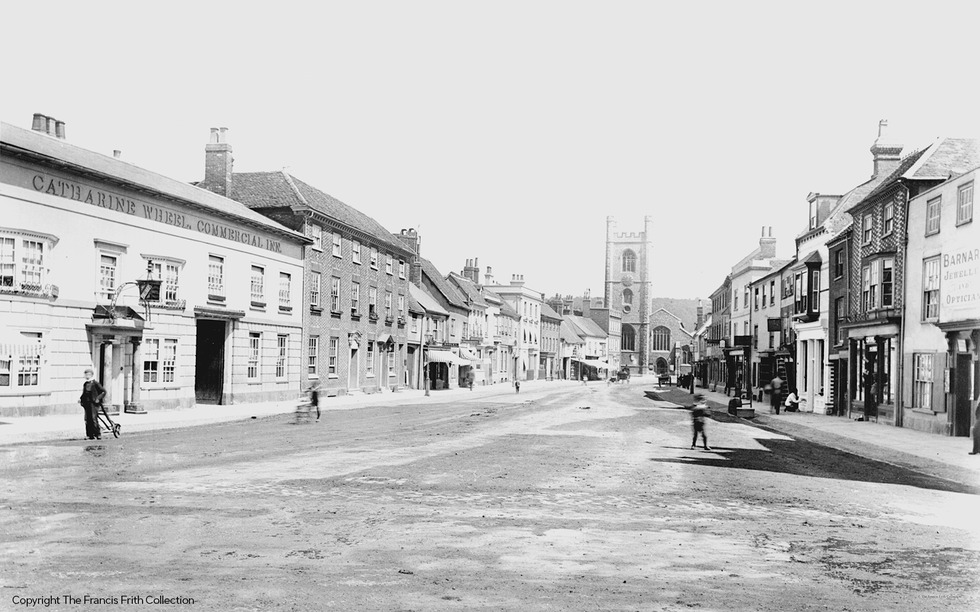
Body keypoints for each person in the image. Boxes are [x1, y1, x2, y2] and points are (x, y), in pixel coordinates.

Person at [78, 368, 106, 440]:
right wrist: (80, 399)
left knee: (93, 418)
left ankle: (98, 434)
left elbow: (103, 392)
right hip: (86, 403)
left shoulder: (95, 383)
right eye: (86, 374)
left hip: (93, 404)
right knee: (87, 419)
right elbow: (84, 393)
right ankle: (90, 435)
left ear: (91, 375)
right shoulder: (85, 384)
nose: (87, 376)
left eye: (88, 374)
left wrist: (97, 398)